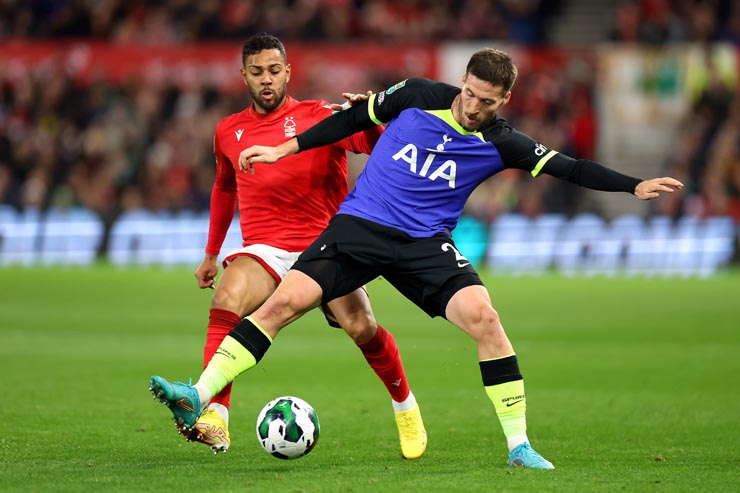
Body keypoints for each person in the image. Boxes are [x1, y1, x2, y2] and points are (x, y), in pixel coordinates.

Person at [150, 48, 683, 469]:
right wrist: (282, 150)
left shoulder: (503, 142)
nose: (474, 108)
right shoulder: (420, 93)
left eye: (488, 103)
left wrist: (633, 185)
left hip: (424, 243)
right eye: (470, 95)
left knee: (486, 320)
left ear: (505, 100)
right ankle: (198, 396)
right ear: (463, 82)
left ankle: (518, 445)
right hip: (360, 226)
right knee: (282, 304)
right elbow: (349, 120)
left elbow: (571, 167)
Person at [150, 33, 427, 460]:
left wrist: (367, 119)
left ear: (288, 72)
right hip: (266, 248)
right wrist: (211, 252)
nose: (267, 80)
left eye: (274, 71)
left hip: (327, 245)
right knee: (227, 297)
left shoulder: (321, 115)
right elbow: (224, 189)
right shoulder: (228, 131)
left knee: (361, 327)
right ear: (243, 75)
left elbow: (376, 148)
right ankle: (214, 417)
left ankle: (405, 408)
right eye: (257, 72)